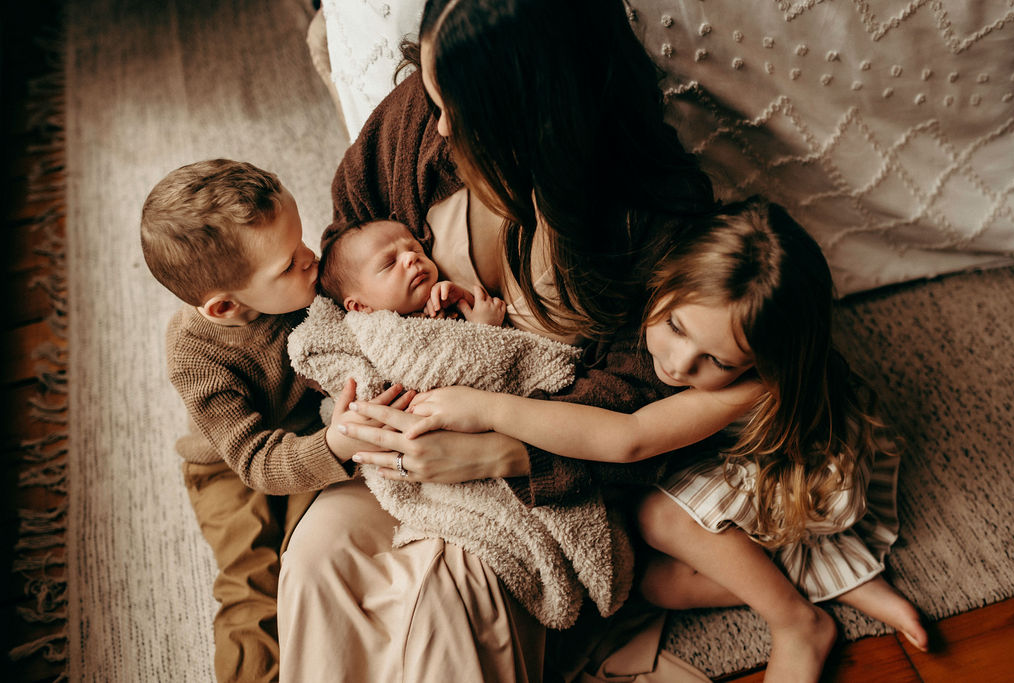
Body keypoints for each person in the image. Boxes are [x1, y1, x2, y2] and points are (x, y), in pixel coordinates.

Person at [276, 0, 719, 681]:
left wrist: (502, 451)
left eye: (461, 111)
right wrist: (364, 400)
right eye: (432, 96)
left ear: (535, 119)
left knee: (438, 608)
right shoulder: (419, 123)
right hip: (397, 457)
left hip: (533, 479)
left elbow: (640, 404)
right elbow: (347, 241)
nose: (440, 123)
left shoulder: (645, 222)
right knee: (315, 562)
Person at [398, 198, 929, 682]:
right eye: (675, 327)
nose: (678, 364)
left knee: (656, 514)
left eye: (716, 361)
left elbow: (630, 439)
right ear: (665, 278)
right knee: (650, 586)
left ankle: (796, 620)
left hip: (790, 478)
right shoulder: (650, 283)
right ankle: (821, 577)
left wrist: (490, 407)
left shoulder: (756, 384)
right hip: (720, 465)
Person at [140, 158, 412, 683]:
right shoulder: (194, 355)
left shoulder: (304, 283)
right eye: (289, 264)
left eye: (302, 242)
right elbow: (257, 463)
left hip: (309, 430)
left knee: (308, 560)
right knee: (251, 584)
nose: (312, 260)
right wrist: (336, 445)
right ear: (223, 307)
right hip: (231, 465)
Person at [318, 217, 506, 323]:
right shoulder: (388, 337)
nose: (410, 257)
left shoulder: (443, 296)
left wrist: (465, 299)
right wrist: (485, 327)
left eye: (414, 248)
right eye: (389, 263)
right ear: (360, 307)